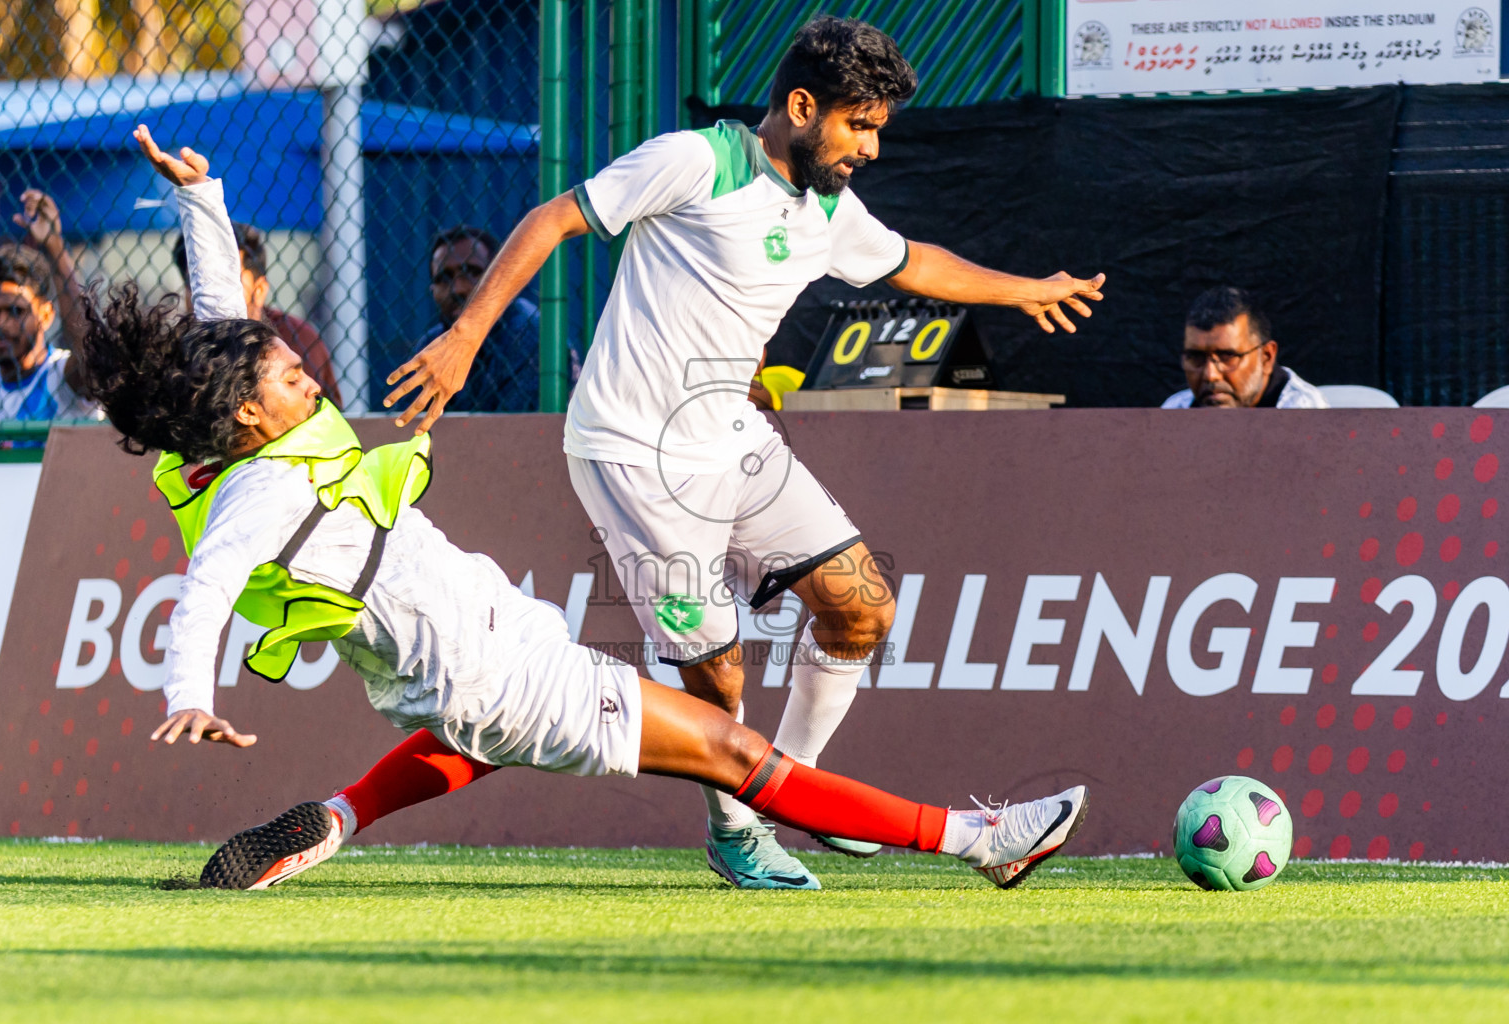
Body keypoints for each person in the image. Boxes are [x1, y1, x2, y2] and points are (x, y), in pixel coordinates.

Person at [95, 125, 1089, 893]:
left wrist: (201, 200)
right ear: (245, 413)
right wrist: (190, 691)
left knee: (477, 736)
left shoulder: (238, 436)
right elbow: (210, 583)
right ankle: (978, 840)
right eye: (288, 377)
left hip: (475, 662)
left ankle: (336, 819)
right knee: (739, 755)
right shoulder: (261, 488)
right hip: (498, 671)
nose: (308, 377)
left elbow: (224, 324)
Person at [381, 16, 1106, 889]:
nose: (872, 148)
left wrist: (1025, 291)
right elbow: (552, 220)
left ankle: (793, 794)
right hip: (634, 457)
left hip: (731, 436)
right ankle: (735, 830)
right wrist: (464, 338)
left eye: (879, 128)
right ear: (803, 106)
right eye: (860, 126)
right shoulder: (693, 160)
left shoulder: (829, 208)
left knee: (861, 606)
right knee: (720, 682)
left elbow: (915, 263)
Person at [172, 221, 344, 408]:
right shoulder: (175, 351)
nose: (211, 294)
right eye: (196, 282)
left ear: (259, 290)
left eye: (228, 282)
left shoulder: (294, 342)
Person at [418, 225, 578, 411]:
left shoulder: (529, 335)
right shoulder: (431, 343)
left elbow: (514, 431)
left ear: (497, 280)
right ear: (432, 290)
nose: (458, 289)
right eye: (444, 278)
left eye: (472, 272)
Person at [0, 190, 101, 422]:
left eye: (16, 311)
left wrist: (54, 246)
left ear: (45, 314)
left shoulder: (60, 374)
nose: (2, 324)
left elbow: (91, 360)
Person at [1162, 286, 1327, 409]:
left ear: (1266, 357)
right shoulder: (1175, 410)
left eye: (1227, 356)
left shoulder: (1306, 418)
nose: (1210, 375)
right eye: (1196, 357)